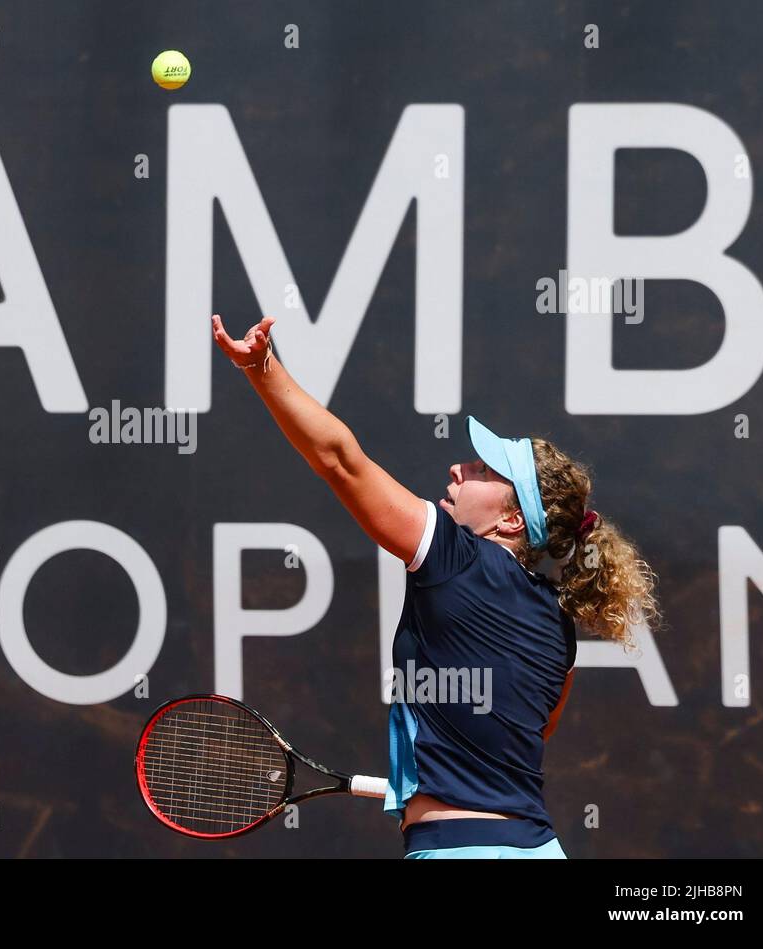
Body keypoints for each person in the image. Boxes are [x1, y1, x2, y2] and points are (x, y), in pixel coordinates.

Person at [211, 314, 661, 858]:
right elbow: (529, 733)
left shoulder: (454, 557)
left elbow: (339, 461)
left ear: (512, 521)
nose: (457, 469)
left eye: (480, 470)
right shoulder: (557, 623)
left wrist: (261, 368)